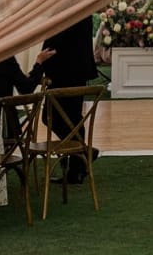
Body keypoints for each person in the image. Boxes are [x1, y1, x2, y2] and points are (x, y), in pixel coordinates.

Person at [33, 15, 103, 187]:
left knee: (57, 117)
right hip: (76, 70)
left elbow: (55, 40)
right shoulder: (81, 10)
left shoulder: (67, 11)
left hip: (64, 71)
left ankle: (80, 157)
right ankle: (79, 161)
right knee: (73, 118)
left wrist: (42, 63)